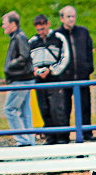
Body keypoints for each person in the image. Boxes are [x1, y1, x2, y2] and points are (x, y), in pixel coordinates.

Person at [29, 14, 70, 144]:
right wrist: (34, 71)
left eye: (43, 29)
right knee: (44, 108)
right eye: (38, 30)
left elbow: (65, 57)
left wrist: (52, 70)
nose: (41, 32)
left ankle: (62, 137)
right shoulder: (32, 42)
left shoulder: (58, 38)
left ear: (48, 25)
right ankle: (50, 136)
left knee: (57, 108)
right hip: (39, 79)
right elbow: (29, 60)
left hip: (55, 78)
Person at [55, 5, 94, 141]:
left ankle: (87, 133)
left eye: (73, 16)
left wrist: (89, 67)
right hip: (65, 77)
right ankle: (64, 135)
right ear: (62, 18)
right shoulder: (57, 35)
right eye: (68, 17)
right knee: (64, 107)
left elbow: (89, 51)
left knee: (85, 106)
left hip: (82, 76)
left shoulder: (83, 32)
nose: (71, 19)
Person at [1, 11, 35, 147]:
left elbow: (24, 56)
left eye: (5, 24)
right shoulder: (18, 36)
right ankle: (29, 141)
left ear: (13, 24)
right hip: (24, 78)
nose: (3, 27)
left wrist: (9, 66)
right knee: (25, 111)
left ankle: (23, 140)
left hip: (20, 78)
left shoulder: (19, 37)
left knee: (9, 109)